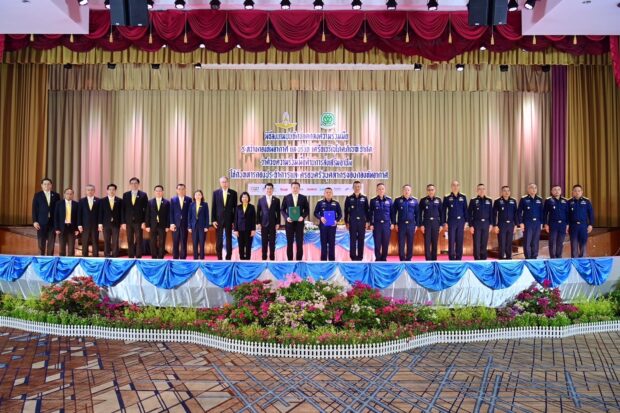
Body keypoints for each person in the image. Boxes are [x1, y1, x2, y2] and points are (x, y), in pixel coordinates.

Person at [281, 182, 310, 261]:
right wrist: (286, 217)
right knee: (289, 243)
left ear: (299, 188)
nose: (295, 189)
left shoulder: (303, 198)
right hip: (289, 223)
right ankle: (290, 261)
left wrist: (302, 217)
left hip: (299, 224)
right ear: (291, 188)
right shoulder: (286, 197)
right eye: (293, 187)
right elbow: (282, 209)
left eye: (297, 187)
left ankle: (299, 260)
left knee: (299, 243)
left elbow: (307, 210)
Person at [32, 177, 60, 256]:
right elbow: (34, 209)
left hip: (53, 222)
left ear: (51, 185)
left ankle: (50, 258)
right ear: (42, 185)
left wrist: (58, 223)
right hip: (41, 222)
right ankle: (41, 257)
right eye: (45, 184)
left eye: (48, 184)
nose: (46, 186)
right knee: (41, 241)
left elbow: (58, 210)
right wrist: (35, 221)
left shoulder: (56, 195)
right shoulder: (37, 195)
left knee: (51, 241)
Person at [211, 176, 238, 260]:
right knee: (219, 239)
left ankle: (228, 257)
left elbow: (235, 208)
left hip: (229, 219)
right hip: (218, 220)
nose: (224, 183)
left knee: (229, 238)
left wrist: (234, 221)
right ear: (220, 183)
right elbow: (214, 207)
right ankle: (219, 257)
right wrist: (213, 220)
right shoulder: (216, 193)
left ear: (228, 183)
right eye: (223, 182)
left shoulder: (233, 193)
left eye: (226, 182)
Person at [122, 177, 148, 258]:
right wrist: (123, 222)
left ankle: (138, 256)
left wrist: (144, 221)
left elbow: (146, 209)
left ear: (138, 184)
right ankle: (131, 256)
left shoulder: (143, 195)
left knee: (139, 239)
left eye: (135, 183)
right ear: (130, 185)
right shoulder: (126, 195)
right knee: (129, 239)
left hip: (139, 221)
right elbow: (123, 209)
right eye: (132, 183)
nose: (134, 185)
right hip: (128, 221)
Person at [314, 187, 343, 261]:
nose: (328, 194)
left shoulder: (336, 203)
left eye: (330, 192)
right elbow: (315, 213)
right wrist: (320, 218)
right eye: (327, 192)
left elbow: (340, 214)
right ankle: (323, 261)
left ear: (332, 194)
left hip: (332, 227)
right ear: (324, 194)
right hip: (323, 227)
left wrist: (336, 221)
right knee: (323, 244)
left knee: (332, 244)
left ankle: (332, 261)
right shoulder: (320, 203)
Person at [392, 184, 419, 261]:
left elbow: (417, 214)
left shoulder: (415, 201)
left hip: (411, 225)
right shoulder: (398, 200)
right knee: (401, 242)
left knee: (410, 242)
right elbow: (394, 213)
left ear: (410, 191)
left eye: (408, 190)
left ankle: (409, 259)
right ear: (402, 191)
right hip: (401, 225)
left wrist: (416, 225)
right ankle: (402, 259)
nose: (406, 191)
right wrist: (395, 223)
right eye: (405, 190)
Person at [344, 181, 370, 261]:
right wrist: (346, 222)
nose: (357, 188)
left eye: (358, 186)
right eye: (355, 186)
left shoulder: (364, 198)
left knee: (361, 240)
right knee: (353, 240)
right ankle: (353, 257)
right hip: (352, 222)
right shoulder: (349, 198)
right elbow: (346, 211)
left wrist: (367, 222)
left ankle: (360, 257)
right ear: (353, 187)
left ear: (360, 187)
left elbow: (367, 211)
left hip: (362, 222)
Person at [443, 180, 468, 261]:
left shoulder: (463, 197)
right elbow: (444, 211)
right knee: (451, 240)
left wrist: (466, 222)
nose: (455, 187)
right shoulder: (447, 197)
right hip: (451, 221)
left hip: (461, 222)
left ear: (459, 186)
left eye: (457, 185)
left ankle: (459, 258)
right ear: (451, 187)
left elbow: (465, 210)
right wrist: (444, 222)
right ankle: (451, 258)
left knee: (460, 240)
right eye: (454, 185)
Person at [518, 183, 544, 259]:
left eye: (535, 188)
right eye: (532, 188)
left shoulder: (539, 199)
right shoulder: (524, 199)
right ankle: (528, 257)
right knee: (527, 241)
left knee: (535, 241)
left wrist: (541, 223)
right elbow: (519, 212)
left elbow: (542, 212)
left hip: (537, 223)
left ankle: (534, 257)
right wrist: (521, 223)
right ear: (528, 189)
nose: (534, 189)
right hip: (527, 222)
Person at [492, 186, 518, 259]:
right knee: (502, 242)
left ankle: (509, 258)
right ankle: (501, 258)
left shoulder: (513, 201)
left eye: (508, 191)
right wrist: (495, 225)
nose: (506, 192)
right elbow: (494, 214)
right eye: (505, 191)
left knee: (509, 242)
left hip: (511, 224)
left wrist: (516, 225)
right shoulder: (497, 201)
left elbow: (515, 213)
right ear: (502, 192)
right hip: (501, 225)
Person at [468, 184, 493, 260]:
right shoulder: (473, 200)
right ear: (477, 191)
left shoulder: (489, 200)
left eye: (483, 189)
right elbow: (469, 214)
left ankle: (483, 259)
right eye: (480, 189)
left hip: (486, 224)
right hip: (476, 224)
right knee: (477, 243)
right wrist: (470, 225)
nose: (481, 191)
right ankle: (477, 259)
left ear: (485, 190)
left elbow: (491, 213)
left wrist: (491, 224)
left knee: (484, 242)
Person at [568, 184, 594, 258]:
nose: (577, 192)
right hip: (573, 226)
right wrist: (567, 225)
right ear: (572, 192)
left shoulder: (586, 201)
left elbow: (591, 214)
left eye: (579, 191)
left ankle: (582, 260)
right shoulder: (569, 202)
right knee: (574, 245)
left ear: (582, 192)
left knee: (583, 245)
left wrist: (591, 225)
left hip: (583, 226)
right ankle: (574, 261)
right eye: (575, 191)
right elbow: (566, 215)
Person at [544, 185, 570, 259]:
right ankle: (553, 257)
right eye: (555, 190)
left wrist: (567, 224)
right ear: (551, 191)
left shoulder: (565, 201)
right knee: (552, 241)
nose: (557, 191)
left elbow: (567, 213)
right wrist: (545, 224)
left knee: (560, 242)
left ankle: (559, 257)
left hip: (563, 224)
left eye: (558, 189)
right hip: (553, 224)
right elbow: (545, 213)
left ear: (561, 191)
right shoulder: (548, 200)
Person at [418, 184, 443, 261]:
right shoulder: (423, 200)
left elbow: (442, 213)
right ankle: (428, 259)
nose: (430, 191)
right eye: (429, 190)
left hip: (436, 223)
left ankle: (434, 259)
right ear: (427, 191)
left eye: (432, 190)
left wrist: (441, 225)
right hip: (426, 223)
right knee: (427, 242)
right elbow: (419, 214)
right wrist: (421, 225)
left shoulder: (438, 200)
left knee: (435, 242)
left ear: (434, 191)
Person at [256, 183, 281, 261]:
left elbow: (278, 212)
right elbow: (258, 212)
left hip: (273, 224)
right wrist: (258, 223)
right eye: (267, 188)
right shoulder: (261, 200)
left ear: (272, 190)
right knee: (264, 242)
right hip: (263, 224)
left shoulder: (277, 200)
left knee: (272, 242)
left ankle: (272, 259)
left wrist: (278, 223)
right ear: (265, 190)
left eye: (270, 188)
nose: (269, 190)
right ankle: (264, 259)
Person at [369, 183, 393, 261]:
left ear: (384, 190)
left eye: (382, 189)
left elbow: (392, 213)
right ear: (377, 190)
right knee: (377, 243)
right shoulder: (373, 200)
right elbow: (370, 213)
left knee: (385, 242)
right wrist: (371, 224)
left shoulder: (389, 200)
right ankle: (378, 258)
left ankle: (384, 258)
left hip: (386, 224)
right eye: (379, 189)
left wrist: (393, 223)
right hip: (377, 224)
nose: (381, 190)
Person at [145, 185, 170, 259]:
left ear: (162, 192)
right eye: (157, 191)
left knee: (162, 241)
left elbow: (168, 215)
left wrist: (167, 226)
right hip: (152, 225)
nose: (158, 192)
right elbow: (147, 214)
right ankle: (154, 257)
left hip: (163, 225)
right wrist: (147, 225)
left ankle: (161, 257)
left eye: (160, 191)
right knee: (152, 241)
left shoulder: (167, 202)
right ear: (154, 192)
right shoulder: (150, 202)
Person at [98, 184, 123, 257]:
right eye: (110, 189)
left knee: (115, 240)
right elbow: (100, 212)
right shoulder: (102, 200)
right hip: (106, 224)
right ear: (107, 191)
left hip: (116, 223)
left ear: (115, 191)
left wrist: (122, 223)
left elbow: (121, 212)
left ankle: (115, 254)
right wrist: (100, 223)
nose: (111, 191)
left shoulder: (119, 200)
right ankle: (107, 255)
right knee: (106, 240)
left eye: (113, 189)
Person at [169, 183, 192, 260]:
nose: (181, 190)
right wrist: (171, 223)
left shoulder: (189, 199)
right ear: (177, 190)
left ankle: (183, 258)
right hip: (175, 224)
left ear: (185, 190)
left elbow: (190, 213)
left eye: (182, 189)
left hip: (185, 224)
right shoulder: (173, 199)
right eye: (179, 189)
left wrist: (189, 224)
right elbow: (171, 212)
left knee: (184, 241)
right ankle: (175, 258)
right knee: (175, 242)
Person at [54, 188, 79, 257]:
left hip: (72, 228)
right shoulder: (59, 204)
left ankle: (71, 261)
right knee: (62, 247)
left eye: (71, 194)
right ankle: (62, 261)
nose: (69, 195)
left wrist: (77, 229)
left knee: (71, 248)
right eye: (67, 194)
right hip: (62, 228)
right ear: (64, 194)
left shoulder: (76, 204)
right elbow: (56, 217)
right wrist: (57, 228)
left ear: (73, 195)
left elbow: (78, 217)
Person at [77, 184, 100, 257]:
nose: (90, 191)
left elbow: (100, 213)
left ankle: (95, 256)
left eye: (91, 190)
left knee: (95, 241)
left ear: (94, 191)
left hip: (95, 225)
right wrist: (79, 224)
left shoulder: (98, 200)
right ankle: (84, 256)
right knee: (85, 241)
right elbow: (79, 213)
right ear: (86, 191)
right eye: (88, 190)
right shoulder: (81, 201)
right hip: (84, 225)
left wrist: (100, 224)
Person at [234, 192, 257, 260]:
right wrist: (235, 230)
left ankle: (247, 260)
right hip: (240, 230)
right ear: (241, 198)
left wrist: (253, 229)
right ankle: (241, 259)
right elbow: (235, 219)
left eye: (246, 197)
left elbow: (254, 219)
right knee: (241, 246)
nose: (244, 198)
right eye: (243, 197)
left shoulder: (252, 207)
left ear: (248, 198)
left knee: (248, 246)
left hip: (249, 230)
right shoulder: (238, 207)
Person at [188, 190, 209, 260]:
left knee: (202, 243)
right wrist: (189, 226)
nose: (197, 196)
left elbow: (207, 216)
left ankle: (202, 258)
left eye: (199, 194)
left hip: (202, 227)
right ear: (194, 196)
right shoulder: (191, 204)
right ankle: (195, 258)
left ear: (201, 196)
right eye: (196, 195)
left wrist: (206, 226)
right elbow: (189, 216)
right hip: (194, 226)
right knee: (195, 243)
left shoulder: (205, 204)